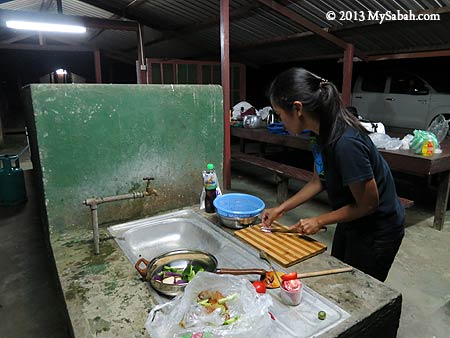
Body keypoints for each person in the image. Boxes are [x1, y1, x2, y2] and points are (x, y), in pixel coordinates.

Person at [261, 68, 405, 282]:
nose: (281, 121)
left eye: (280, 114)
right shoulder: (320, 134)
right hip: (353, 219)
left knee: (359, 288)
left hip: (378, 229)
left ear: (297, 108)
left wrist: (318, 220)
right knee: (340, 275)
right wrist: (281, 209)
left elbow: (368, 204)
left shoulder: (346, 143)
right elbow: (318, 180)